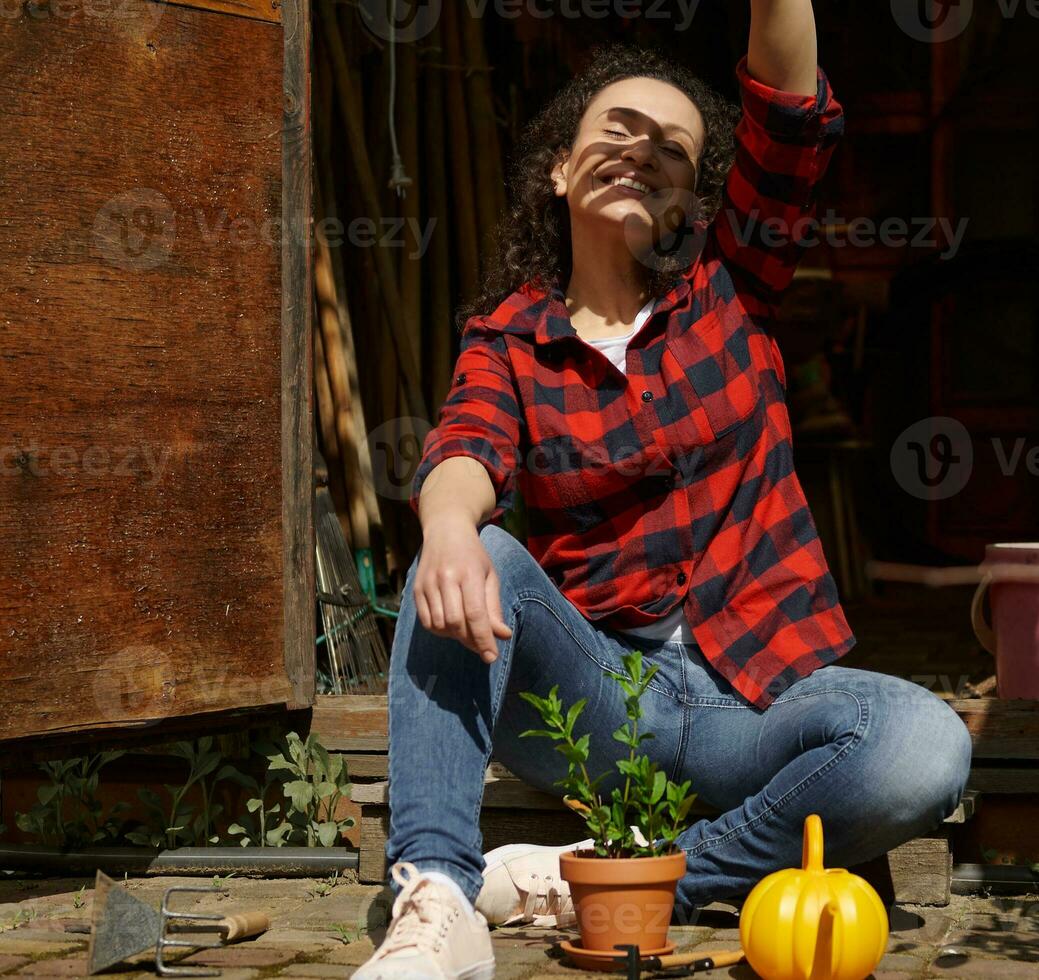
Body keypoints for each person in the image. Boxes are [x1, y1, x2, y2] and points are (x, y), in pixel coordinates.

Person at [353, 5, 973, 977]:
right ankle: (435, 899)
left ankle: (626, 875)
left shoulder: (735, 278)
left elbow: (789, 95)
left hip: (754, 698)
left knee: (921, 745)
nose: (641, 150)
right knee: (478, 550)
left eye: (672, 149)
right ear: (560, 168)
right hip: (598, 696)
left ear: (693, 202)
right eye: (617, 129)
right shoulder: (512, 336)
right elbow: (465, 447)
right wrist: (444, 523)